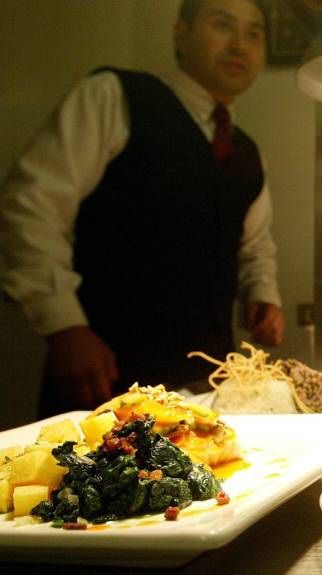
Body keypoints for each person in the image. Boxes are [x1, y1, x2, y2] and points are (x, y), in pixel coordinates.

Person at [0, 0, 284, 417]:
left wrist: (263, 292)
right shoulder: (114, 96)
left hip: (208, 386)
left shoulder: (246, 150)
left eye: (254, 34)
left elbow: (255, 242)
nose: (239, 45)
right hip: (106, 379)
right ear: (181, 35)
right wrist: (64, 325)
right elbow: (32, 205)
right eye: (222, 25)